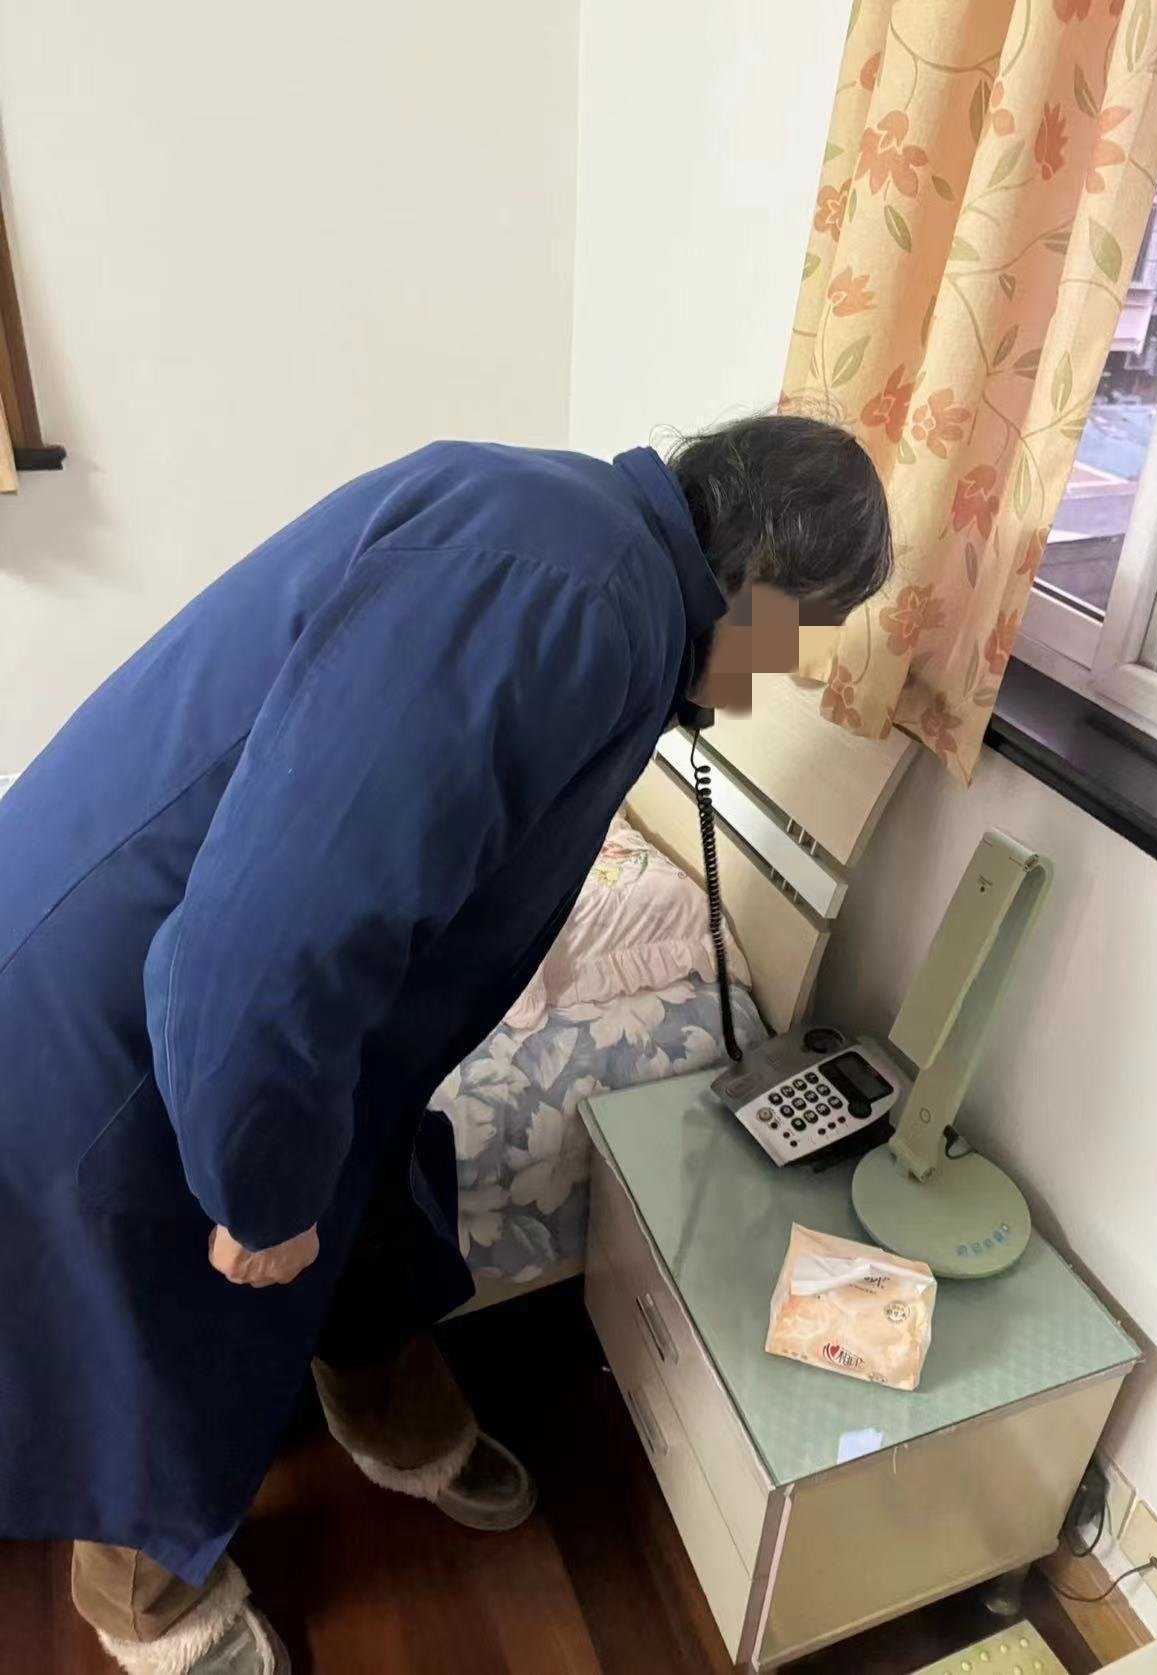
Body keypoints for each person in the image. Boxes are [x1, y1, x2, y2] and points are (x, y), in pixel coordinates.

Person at [0, 415, 891, 1674]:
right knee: (167, 1314)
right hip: (130, 1009)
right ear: (766, 583)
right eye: (799, 638)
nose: (779, 675)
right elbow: (267, 933)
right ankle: (144, 1603)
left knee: (370, 1199)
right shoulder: (569, 593)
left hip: (281, 1008)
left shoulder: (592, 546)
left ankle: (387, 1414)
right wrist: (260, 1192)